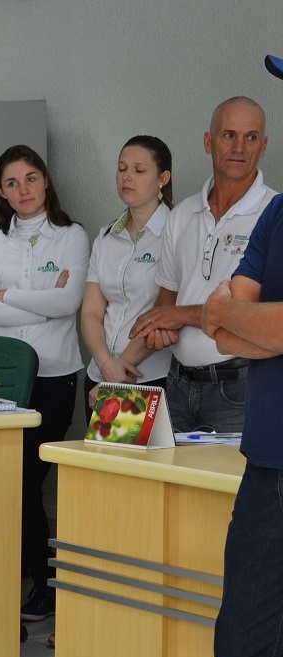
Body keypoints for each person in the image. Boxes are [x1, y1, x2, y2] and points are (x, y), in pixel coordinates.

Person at [193, 56, 283, 657]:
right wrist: (248, 321)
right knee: (243, 648)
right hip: (269, 465)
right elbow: (220, 323)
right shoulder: (280, 213)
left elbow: (254, 323)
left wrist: (245, 319)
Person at [0, 144, 89, 624]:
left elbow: (69, 304)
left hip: (55, 377)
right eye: (12, 183)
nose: (24, 190)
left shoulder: (72, 236)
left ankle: (45, 584)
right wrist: (41, 302)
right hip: (3, 381)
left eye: (31, 178)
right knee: (5, 481)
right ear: (1, 191)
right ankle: (20, 573)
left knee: (26, 481)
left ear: (46, 180)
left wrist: (6, 296)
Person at [130, 97, 275, 433]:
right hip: (178, 383)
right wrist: (159, 329)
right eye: (229, 135)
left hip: (240, 388)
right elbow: (168, 299)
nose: (239, 148)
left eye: (251, 137)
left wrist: (178, 315)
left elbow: (259, 314)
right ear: (209, 142)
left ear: (264, 146)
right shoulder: (182, 213)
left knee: (232, 473)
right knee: (166, 470)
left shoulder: (274, 214)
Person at [81, 136, 174, 421]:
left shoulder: (175, 233)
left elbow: (165, 312)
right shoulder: (107, 236)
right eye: (122, 169)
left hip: (144, 379)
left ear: (163, 178)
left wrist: (117, 371)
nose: (127, 177)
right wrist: (105, 363)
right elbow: (91, 312)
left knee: (134, 453)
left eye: (139, 170)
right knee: (96, 452)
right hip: (99, 374)